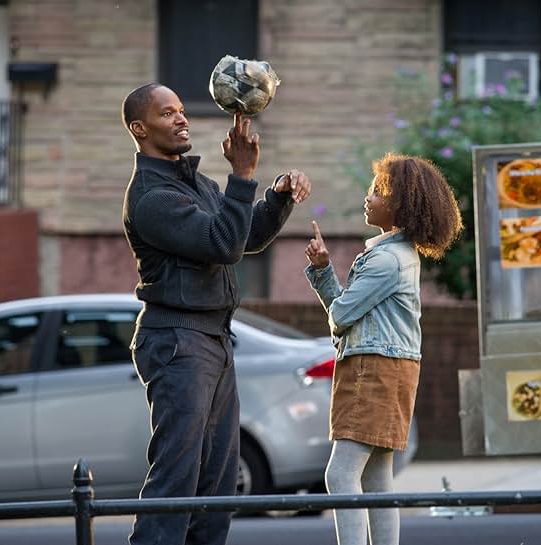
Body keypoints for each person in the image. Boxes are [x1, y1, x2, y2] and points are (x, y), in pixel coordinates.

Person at [121, 82, 311, 545]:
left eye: (183, 110)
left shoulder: (193, 183)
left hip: (213, 339)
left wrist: (277, 196)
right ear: (139, 129)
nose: (182, 119)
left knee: (218, 484)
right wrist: (243, 173)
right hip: (178, 341)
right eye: (168, 114)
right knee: (178, 477)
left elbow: (242, 235)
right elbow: (223, 244)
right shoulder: (151, 197)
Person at [304, 153, 462, 545]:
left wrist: (323, 273)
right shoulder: (402, 256)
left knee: (339, 475)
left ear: (400, 205)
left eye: (378, 192)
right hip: (396, 368)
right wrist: (325, 267)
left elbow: (341, 314)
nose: (368, 197)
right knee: (377, 477)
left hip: (372, 369)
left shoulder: (386, 260)